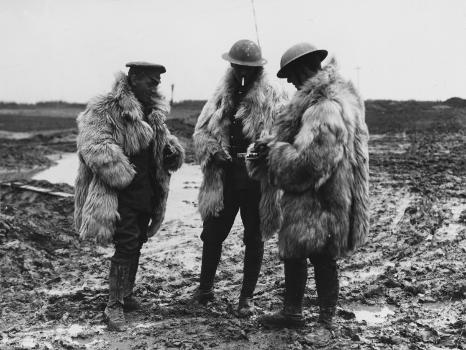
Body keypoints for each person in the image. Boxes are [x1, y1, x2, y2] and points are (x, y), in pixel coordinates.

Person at [246, 43, 369, 346]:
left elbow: (312, 161)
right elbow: (298, 140)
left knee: (323, 257)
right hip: (314, 197)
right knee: (296, 251)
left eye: (290, 76)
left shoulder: (325, 105)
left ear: (303, 69)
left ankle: (326, 323)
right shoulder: (331, 96)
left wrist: (275, 153)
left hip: (324, 198)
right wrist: (271, 143)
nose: (289, 83)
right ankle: (292, 312)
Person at [74, 62, 185, 331]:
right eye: (152, 81)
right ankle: (114, 305)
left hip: (147, 189)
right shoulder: (106, 107)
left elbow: (164, 141)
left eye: (158, 82)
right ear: (134, 79)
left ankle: (127, 293)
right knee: (125, 244)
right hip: (119, 191)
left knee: (137, 241)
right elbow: (93, 145)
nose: (156, 86)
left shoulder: (154, 112)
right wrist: (123, 173)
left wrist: (171, 152)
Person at [192, 39, 288, 316]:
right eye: (237, 67)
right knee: (212, 233)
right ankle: (205, 288)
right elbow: (201, 132)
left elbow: (283, 135)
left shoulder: (273, 97)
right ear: (231, 66)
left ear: (258, 68)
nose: (242, 72)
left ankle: (246, 298)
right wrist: (213, 150)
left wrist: (263, 152)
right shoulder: (221, 95)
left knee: (254, 237)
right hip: (224, 177)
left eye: (248, 68)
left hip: (257, 180)